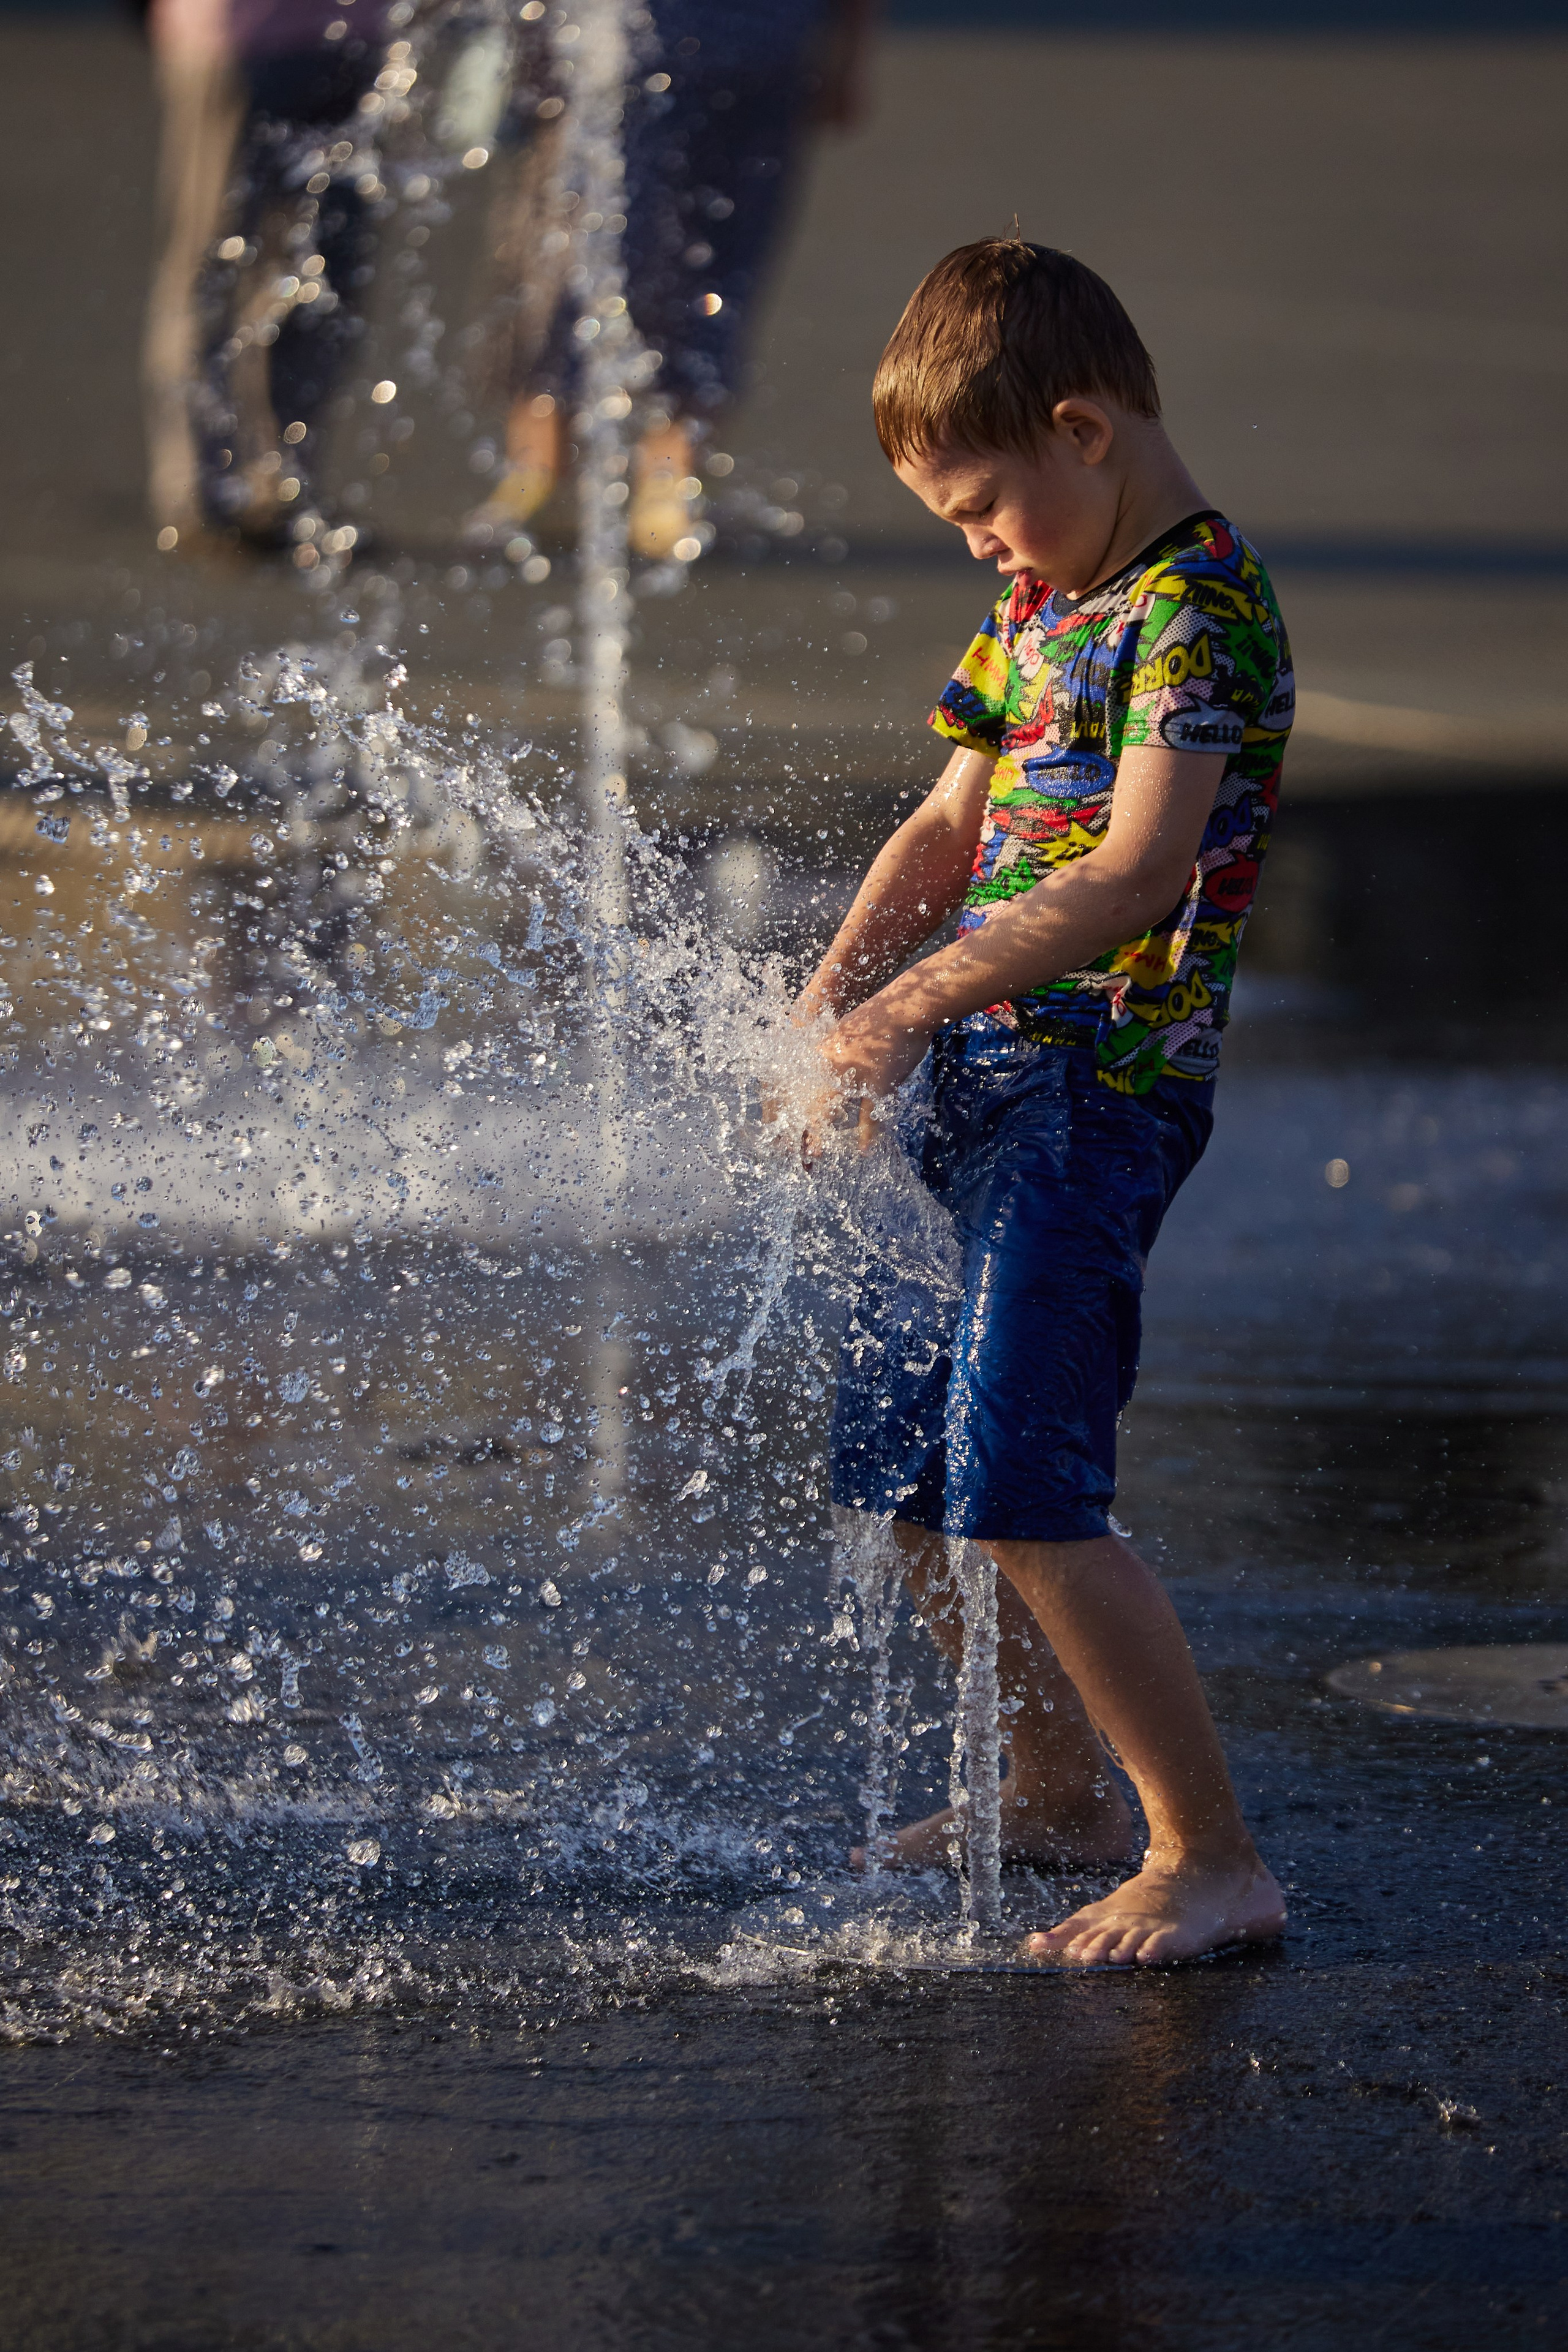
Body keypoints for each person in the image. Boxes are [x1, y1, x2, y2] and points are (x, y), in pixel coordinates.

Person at [790, 239, 1294, 1967]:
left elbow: (1137, 875)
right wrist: (839, 992)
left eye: (984, 507)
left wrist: (912, 1004)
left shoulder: (1195, 611)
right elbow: (946, 830)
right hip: (984, 1083)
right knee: (905, 1456)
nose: (981, 543)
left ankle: (1206, 1853)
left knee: (1024, 1477)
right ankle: (1051, 1778)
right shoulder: (1042, 603)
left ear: (1082, 428)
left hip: (1097, 1099)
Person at [467, 0, 877, 560]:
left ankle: (672, 475)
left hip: (765, 59)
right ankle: (539, 464)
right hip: (626, 55)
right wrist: (535, 38)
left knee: (722, 268)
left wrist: (848, 55)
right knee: (576, 252)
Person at [143, 0, 392, 549]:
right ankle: (200, 491)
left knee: (325, 277)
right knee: (212, 267)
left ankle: (282, 483)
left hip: (353, 46)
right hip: (232, 43)